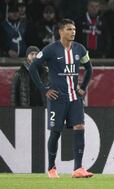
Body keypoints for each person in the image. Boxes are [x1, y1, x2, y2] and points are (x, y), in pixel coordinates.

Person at [29, 18, 93, 179]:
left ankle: (78, 168)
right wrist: (45, 89)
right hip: (57, 99)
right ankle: (51, 168)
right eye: (69, 29)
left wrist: (83, 88)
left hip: (74, 99)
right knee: (56, 132)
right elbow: (33, 68)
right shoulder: (51, 49)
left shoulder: (80, 49)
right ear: (60, 31)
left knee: (79, 127)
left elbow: (89, 68)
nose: (73, 32)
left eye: (74, 29)